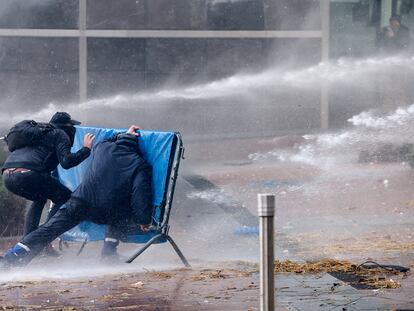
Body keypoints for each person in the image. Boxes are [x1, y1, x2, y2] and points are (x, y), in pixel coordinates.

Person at [2, 125, 153, 267]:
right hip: (105, 212)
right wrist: (144, 220)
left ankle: (11, 257)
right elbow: (140, 194)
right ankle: (108, 253)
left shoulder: (102, 148)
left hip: (78, 202)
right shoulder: (140, 165)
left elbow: (107, 139)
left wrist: (123, 134)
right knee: (119, 211)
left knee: (49, 229)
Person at [2, 112, 94, 256]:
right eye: (72, 126)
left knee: (39, 199)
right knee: (65, 197)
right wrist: (86, 149)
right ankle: (43, 238)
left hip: (8, 176)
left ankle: (29, 242)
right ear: (67, 126)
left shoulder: (37, 133)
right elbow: (67, 162)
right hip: (29, 174)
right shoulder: (59, 134)